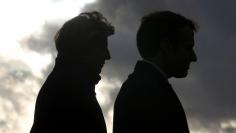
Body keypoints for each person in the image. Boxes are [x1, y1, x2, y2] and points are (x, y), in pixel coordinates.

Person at [113, 11, 197, 133]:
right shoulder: (148, 92)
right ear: (166, 46)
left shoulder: (142, 87)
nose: (194, 57)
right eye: (188, 48)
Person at [30, 11, 114, 133]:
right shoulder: (71, 91)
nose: (107, 56)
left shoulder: (65, 85)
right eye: (102, 47)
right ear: (84, 47)